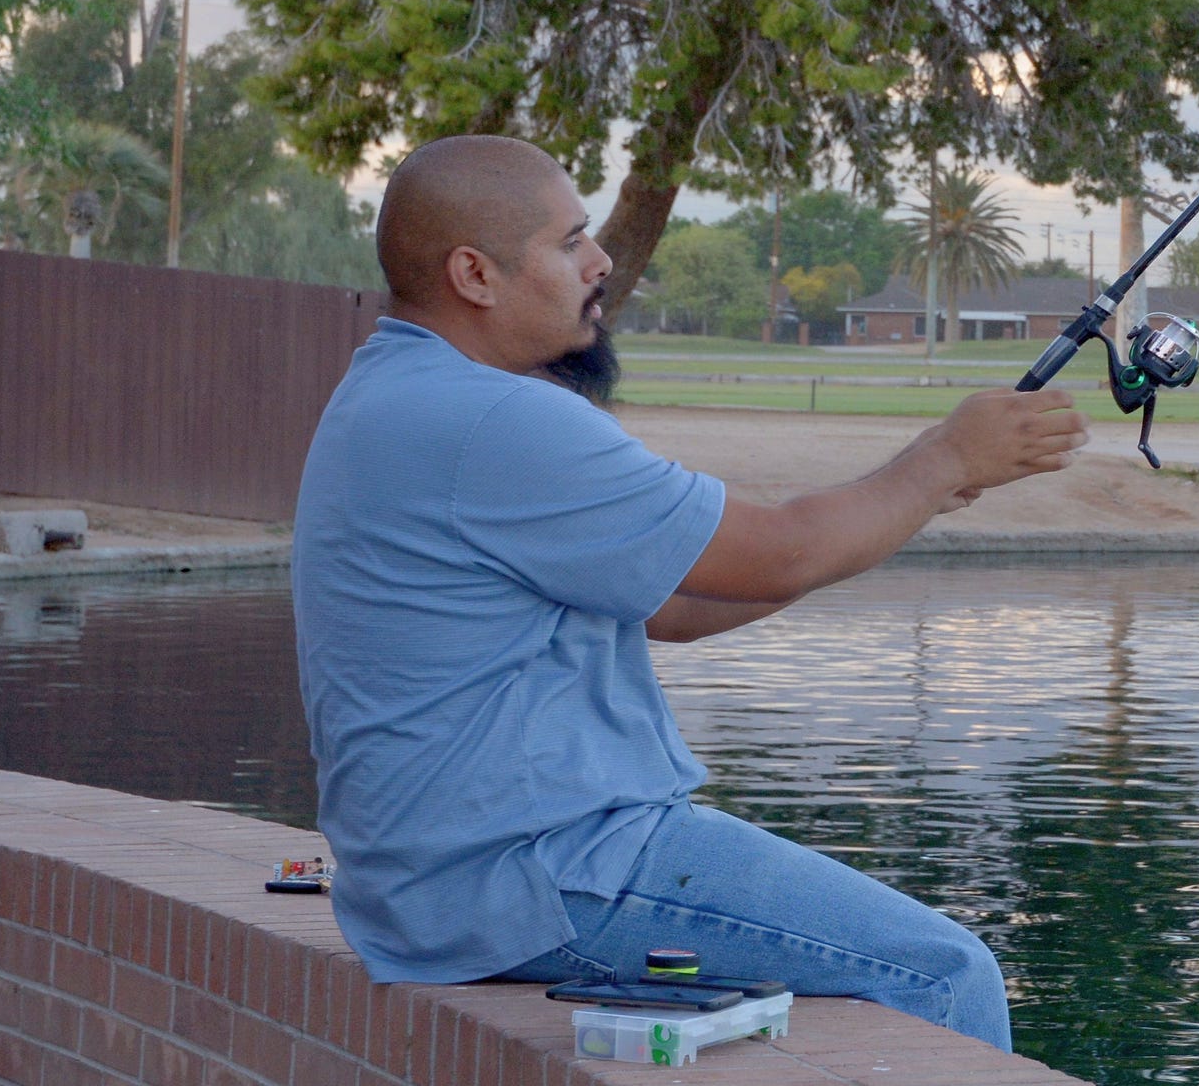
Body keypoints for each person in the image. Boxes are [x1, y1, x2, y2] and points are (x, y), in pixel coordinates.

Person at [291, 135, 1082, 1047]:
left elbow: (677, 608)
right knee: (943, 973)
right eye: (570, 241)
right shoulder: (494, 418)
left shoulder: (394, 392)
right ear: (475, 273)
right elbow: (778, 552)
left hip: (445, 888)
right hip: (541, 876)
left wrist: (920, 493)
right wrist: (942, 458)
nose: (600, 260)